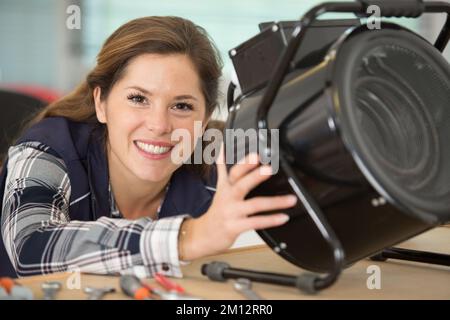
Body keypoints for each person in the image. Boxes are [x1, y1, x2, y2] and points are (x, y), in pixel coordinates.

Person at [0, 16, 297, 278]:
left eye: (181, 105)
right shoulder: (46, 149)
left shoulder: (220, 151)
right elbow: (31, 245)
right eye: (138, 99)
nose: (159, 125)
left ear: (205, 119)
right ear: (100, 103)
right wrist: (188, 237)